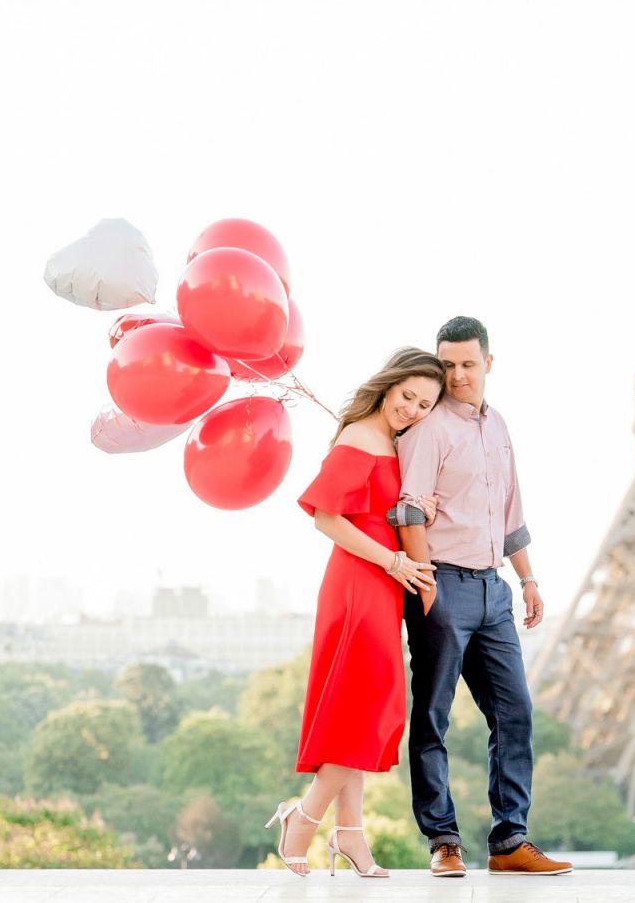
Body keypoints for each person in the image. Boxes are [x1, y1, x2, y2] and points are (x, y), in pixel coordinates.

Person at [388, 316, 572, 877]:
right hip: (442, 584)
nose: (458, 375)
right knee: (434, 719)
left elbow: (510, 513)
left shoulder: (499, 428)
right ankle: (443, 840)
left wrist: (529, 579)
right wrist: (426, 585)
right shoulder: (428, 428)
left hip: (494, 590)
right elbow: (409, 509)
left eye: (469, 364)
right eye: (448, 365)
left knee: (515, 713)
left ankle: (510, 839)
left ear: (489, 364)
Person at [265, 348, 444, 877]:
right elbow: (326, 517)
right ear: (387, 387)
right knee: (371, 707)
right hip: (361, 583)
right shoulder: (359, 438)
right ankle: (305, 815)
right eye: (407, 396)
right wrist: (393, 560)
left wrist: (415, 516)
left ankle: (351, 836)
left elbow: (382, 509)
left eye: (424, 404)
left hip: (381, 583)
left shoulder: (388, 442)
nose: (412, 409)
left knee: (357, 710)